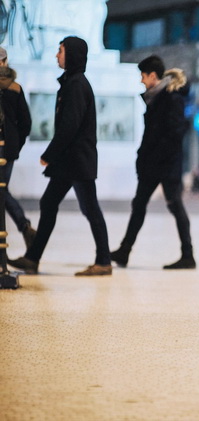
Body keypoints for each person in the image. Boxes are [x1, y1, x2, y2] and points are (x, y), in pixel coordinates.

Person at [8, 37, 112, 276]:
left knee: (90, 208)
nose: (57, 55)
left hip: (76, 160)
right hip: (71, 161)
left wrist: (49, 154)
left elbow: (70, 126)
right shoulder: (72, 82)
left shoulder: (76, 85)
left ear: (72, 55)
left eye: (61, 51)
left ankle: (104, 261)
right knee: (50, 203)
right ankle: (33, 258)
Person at [110, 55, 195, 269]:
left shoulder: (171, 98)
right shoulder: (156, 98)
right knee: (139, 205)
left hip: (164, 165)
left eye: (143, 76)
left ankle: (188, 255)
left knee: (175, 206)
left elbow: (175, 133)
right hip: (154, 164)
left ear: (153, 76)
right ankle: (124, 251)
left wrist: (155, 157)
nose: (141, 80)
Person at [0, 47, 37, 248]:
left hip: (7, 148)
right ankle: (25, 228)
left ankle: (24, 226)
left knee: (1, 191)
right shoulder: (15, 87)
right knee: (2, 190)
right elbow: (26, 124)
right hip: (9, 149)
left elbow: (25, 123)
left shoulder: (15, 88)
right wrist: (15, 145)